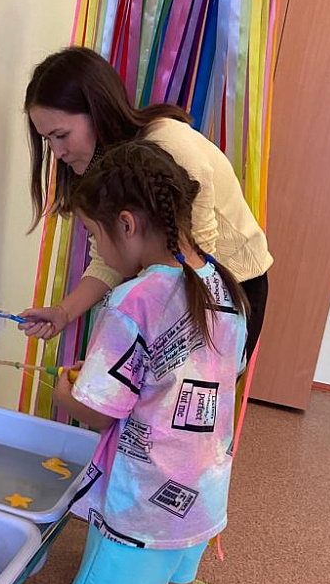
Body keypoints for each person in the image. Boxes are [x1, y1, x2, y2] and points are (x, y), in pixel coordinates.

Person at [53, 140, 248, 584]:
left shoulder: (135, 299)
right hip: (201, 499)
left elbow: (100, 405)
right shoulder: (220, 284)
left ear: (128, 223)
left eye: (95, 237)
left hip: (142, 509)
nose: (98, 250)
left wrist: (63, 393)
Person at [19, 46, 269, 362]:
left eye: (61, 135)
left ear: (97, 112)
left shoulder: (168, 144)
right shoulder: (107, 167)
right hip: (182, 288)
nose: (57, 153)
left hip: (230, 285)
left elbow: (199, 255)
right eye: (47, 140)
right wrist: (63, 312)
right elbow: (106, 258)